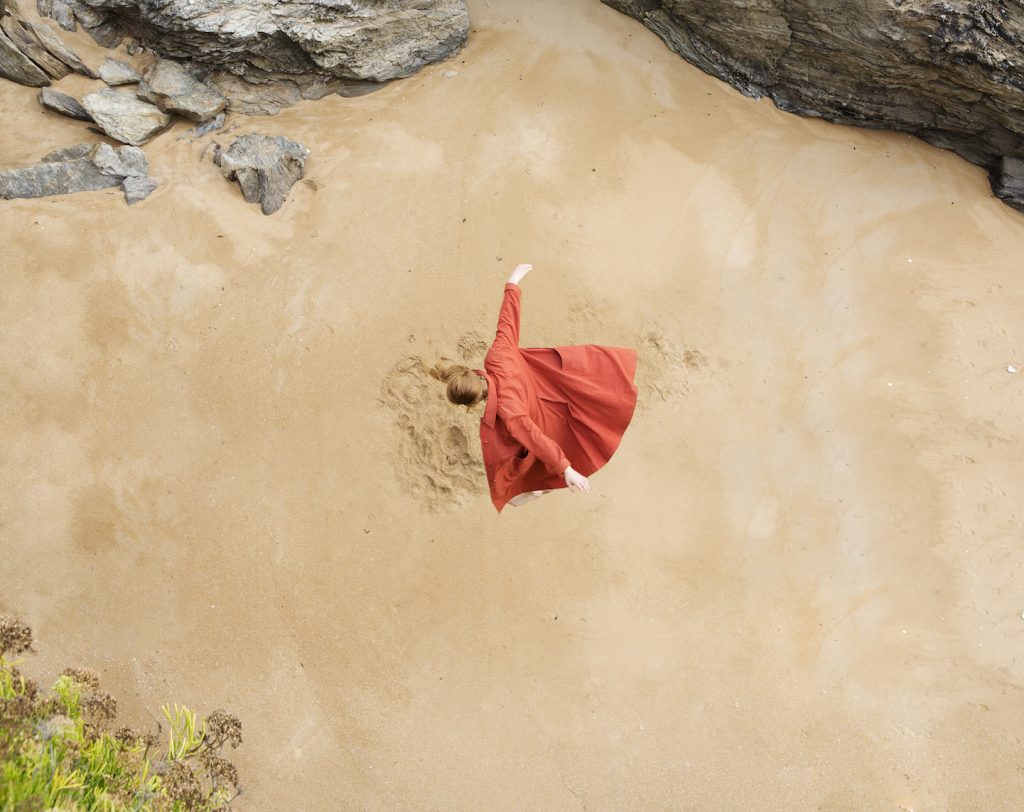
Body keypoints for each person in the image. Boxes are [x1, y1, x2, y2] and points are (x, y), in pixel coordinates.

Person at [433, 263, 638, 512]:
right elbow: (506, 323)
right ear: (475, 374)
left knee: (515, 477)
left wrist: (566, 469)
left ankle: (534, 489)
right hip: (554, 393)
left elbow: (537, 438)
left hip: (545, 421)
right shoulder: (497, 356)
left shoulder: (508, 413)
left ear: (474, 401)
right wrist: (513, 283)